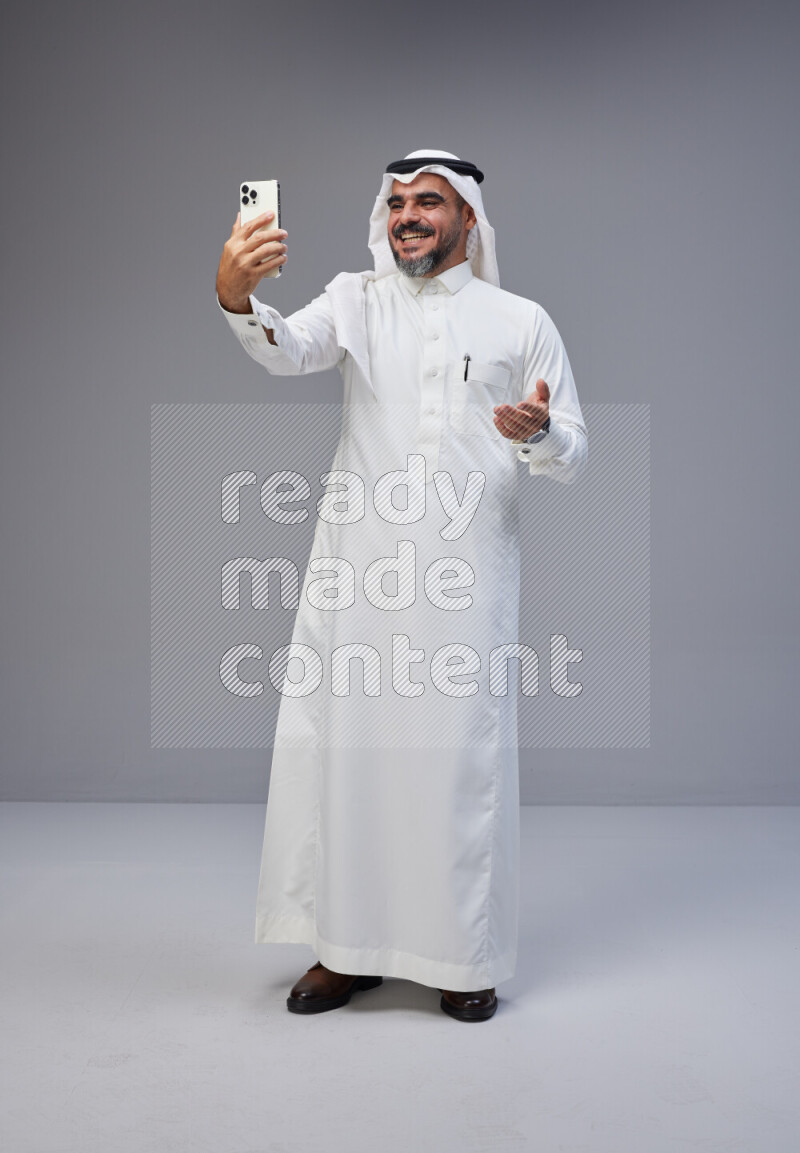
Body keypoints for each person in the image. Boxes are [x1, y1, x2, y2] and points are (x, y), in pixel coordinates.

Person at [215, 149, 587, 1022]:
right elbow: (289, 347)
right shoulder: (357, 299)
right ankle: (345, 951)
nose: (408, 216)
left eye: (429, 202)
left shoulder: (520, 319)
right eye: (397, 204)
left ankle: (462, 956)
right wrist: (236, 296)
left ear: (467, 219)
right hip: (362, 575)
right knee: (352, 759)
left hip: (467, 581)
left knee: (458, 768)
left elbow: (573, 451)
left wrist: (534, 433)